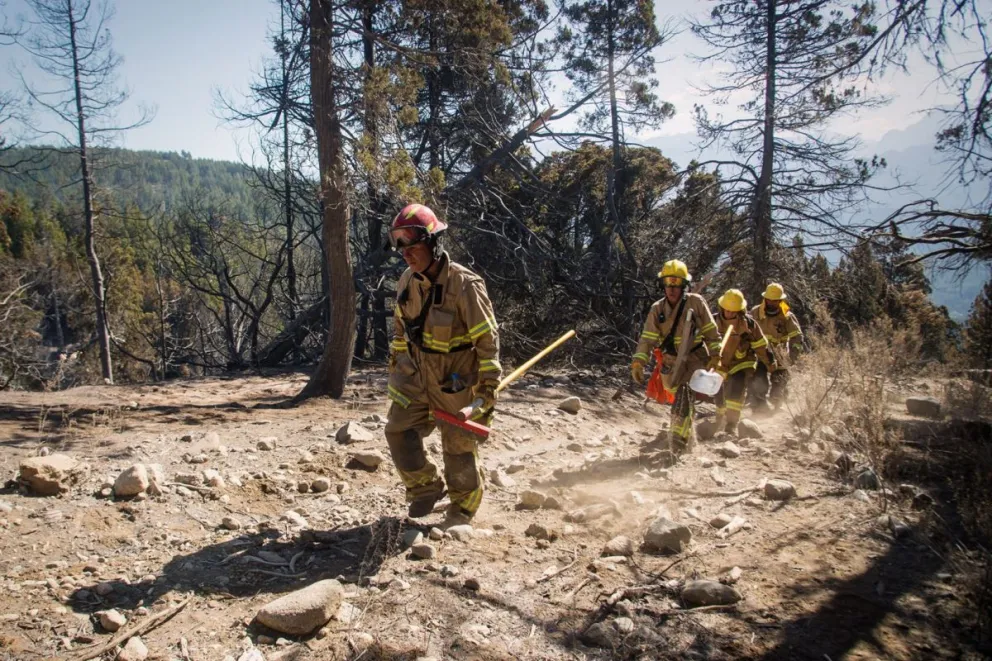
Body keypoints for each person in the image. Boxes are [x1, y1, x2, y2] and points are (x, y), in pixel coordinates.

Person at [384, 203, 501, 526]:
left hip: (455, 379)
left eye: (413, 245)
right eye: (401, 247)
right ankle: (425, 488)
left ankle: (462, 509)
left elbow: (487, 339)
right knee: (398, 430)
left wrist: (488, 385)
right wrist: (398, 372)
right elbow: (400, 331)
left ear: (433, 242)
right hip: (415, 375)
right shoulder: (407, 281)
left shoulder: (465, 284)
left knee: (457, 445)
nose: (406, 254)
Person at [631, 260, 722, 463]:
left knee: (685, 394)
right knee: (679, 396)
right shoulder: (657, 309)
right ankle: (688, 436)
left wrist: (716, 353)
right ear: (662, 284)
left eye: (676, 283)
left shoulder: (696, 302)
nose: (672, 288)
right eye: (668, 283)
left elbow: (710, 330)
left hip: (695, 359)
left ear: (684, 285)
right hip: (671, 362)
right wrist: (639, 362)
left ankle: (678, 442)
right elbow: (647, 338)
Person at [712, 289, 776, 435]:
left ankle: (731, 424)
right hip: (720, 364)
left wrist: (770, 363)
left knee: (737, 386)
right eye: (727, 310)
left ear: (740, 310)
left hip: (742, 362)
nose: (729, 313)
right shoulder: (713, 322)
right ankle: (719, 418)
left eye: (733, 311)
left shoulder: (749, 324)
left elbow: (761, 346)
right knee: (719, 394)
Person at [750, 283, 803, 410]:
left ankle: (778, 405)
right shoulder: (755, 312)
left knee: (779, 384)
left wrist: (792, 356)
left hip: (780, 354)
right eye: (769, 300)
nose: (772, 303)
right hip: (760, 353)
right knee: (758, 380)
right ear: (765, 298)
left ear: (780, 300)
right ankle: (760, 407)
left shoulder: (787, 316)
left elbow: (797, 337)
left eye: (775, 300)